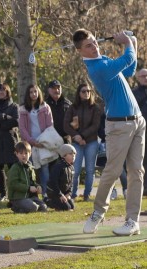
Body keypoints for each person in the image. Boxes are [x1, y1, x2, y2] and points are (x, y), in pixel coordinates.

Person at [73, 29, 144, 236]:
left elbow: (130, 70)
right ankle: (98, 212)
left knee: (137, 172)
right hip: (118, 126)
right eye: (88, 45)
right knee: (112, 171)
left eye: (94, 41)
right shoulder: (97, 68)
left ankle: (132, 221)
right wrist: (128, 42)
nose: (94, 46)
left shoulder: (103, 60)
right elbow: (127, 59)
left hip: (137, 121)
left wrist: (133, 42)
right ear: (80, 51)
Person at [63, 83, 102, 201]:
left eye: (89, 91)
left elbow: (95, 126)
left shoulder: (95, 107)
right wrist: (76, 136)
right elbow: (66, 125)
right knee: (76, 169)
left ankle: (87, 195)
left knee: (90, 170)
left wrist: (82, 136)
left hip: (91, 142)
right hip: (76, 143)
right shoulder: (73, 107)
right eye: (84, 91)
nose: (86, 93)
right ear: (79, 93)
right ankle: (72, 194)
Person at [18, 84, 54, 197]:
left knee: (45, 169)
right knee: (31, 169)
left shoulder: (45, 107)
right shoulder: (22, 109)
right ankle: (31, 194)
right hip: (29, 145)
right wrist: (31, 141)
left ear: (38, 93)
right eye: (31, 92)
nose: (33, 94)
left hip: (43, 143)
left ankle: (45, 194)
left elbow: (50, 125)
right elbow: (22, 128)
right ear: (28, 94)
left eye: (35, 91)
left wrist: (43, 141)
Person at [7, 141, 47, 213]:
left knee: (43, 207)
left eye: (26, 153)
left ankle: (26, 205)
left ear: (30, 154)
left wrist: (38, 186)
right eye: (21, 153)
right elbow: (13, 184)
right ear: (16, 154)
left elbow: (33, 182)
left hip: (30, 197)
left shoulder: (30, 167)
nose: (24, 155)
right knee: (33, 207)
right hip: (18, 197)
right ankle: (15, 207)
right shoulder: (15, 167)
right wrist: (28, 188)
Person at [45, 144, 76, 211]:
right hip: (55, 193)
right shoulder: (58, 167)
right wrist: (60, 195)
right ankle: (48, 201)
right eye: (70, 154)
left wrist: (68, 194)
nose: (73, 156)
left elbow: (71, 183)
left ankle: (59, 203)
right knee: (67, 208)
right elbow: (53, 183)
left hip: (64, 193)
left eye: (74, 154)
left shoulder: (71, 167)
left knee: (72, 206)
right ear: (64, 156)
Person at [132, 68, 147, 194]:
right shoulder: (134, 93)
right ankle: (144, 187)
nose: (145, 78)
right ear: (138, 78)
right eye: (142, 76)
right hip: (141, 132)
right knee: (142, 160)